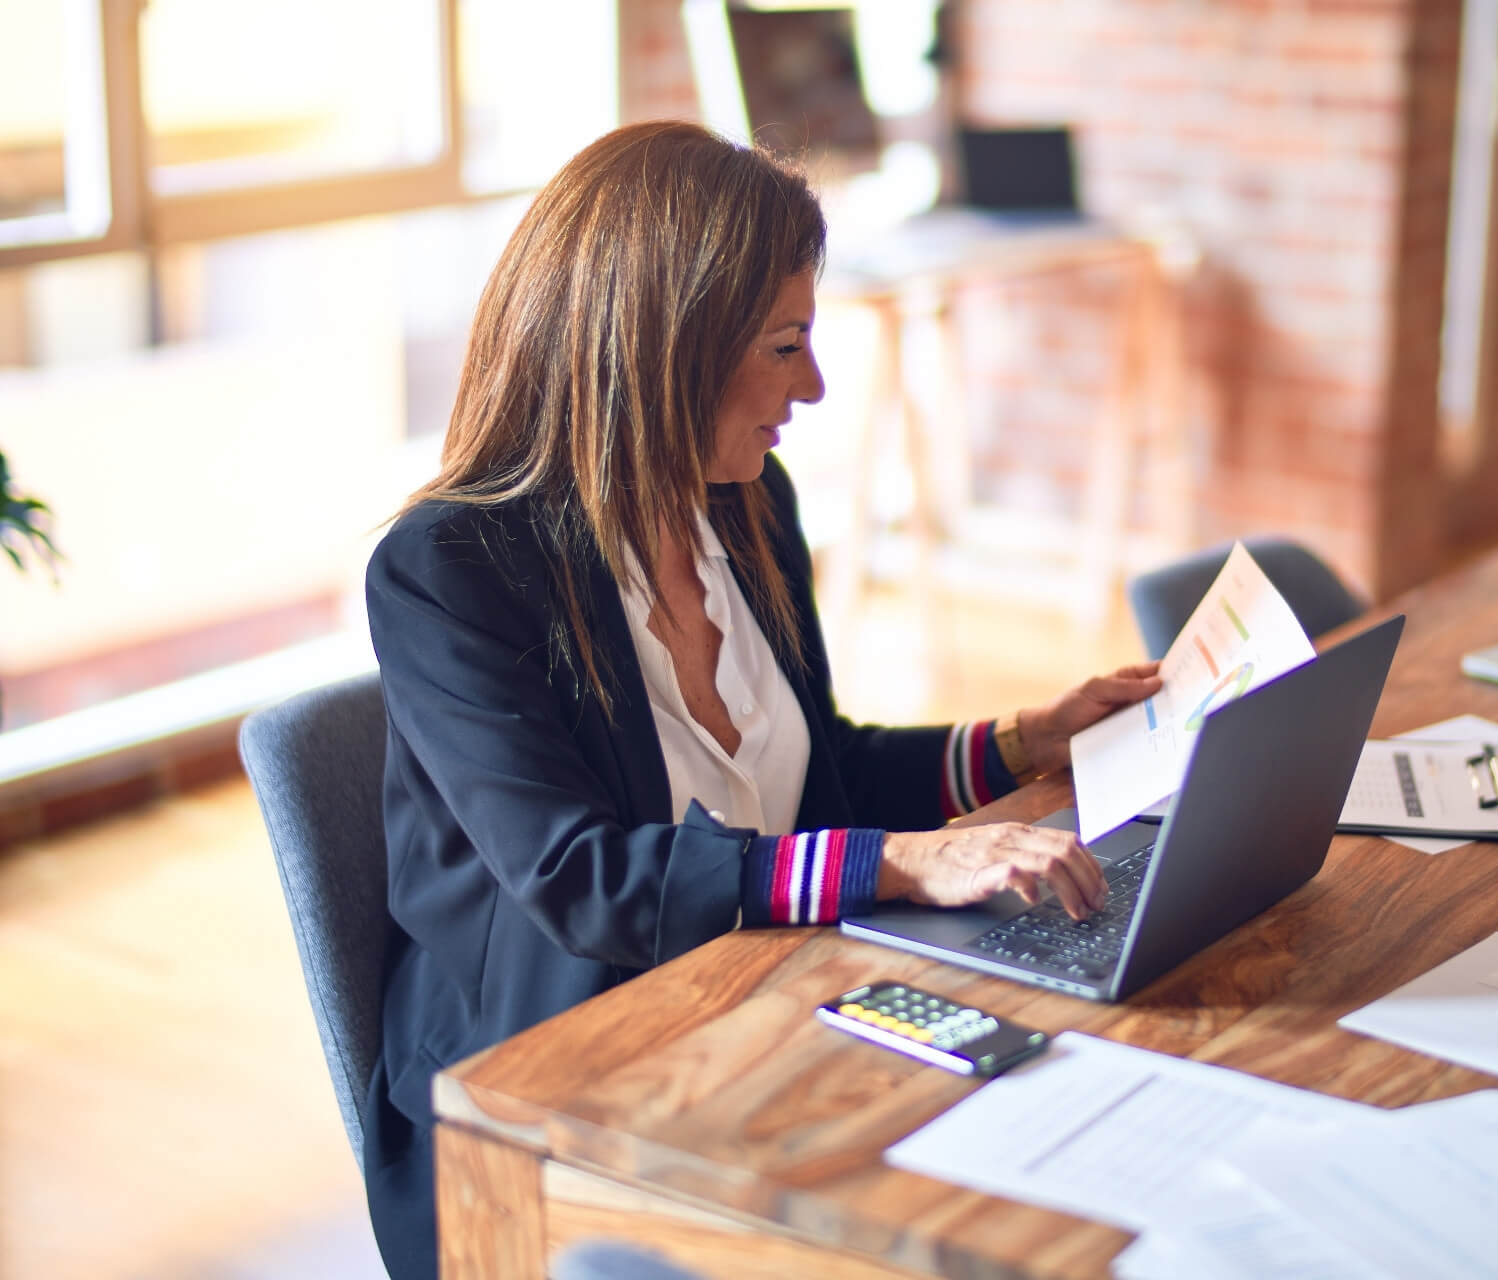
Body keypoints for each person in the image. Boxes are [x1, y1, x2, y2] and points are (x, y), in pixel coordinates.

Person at [360, 120, 1160, 1279]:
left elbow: (813, 766)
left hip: (765, 995)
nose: (817, 386)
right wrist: (899, 861)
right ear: (664, 348)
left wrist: (1020, 740)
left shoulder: (742, 499)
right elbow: (579, 875)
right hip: (550, 1093)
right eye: (787, 346)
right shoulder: (451, 569)